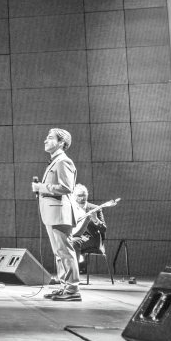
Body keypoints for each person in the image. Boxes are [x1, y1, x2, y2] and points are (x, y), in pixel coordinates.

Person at [32, 128, 80, 302]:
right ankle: (64, 287)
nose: (45, 140)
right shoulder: (55, 162)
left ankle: (73, 289)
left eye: (50, 138)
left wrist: (41, 187)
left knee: (65, 252)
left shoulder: (63, 161)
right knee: (59, 252)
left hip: (60, 213)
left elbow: (67, 188)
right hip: (53, 212)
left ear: (61, 142)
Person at [71, 183, 107, 271]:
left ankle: (73, 274)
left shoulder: (95, 208)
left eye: (84, 195)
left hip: (91, 239)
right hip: (75, 237)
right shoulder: (71, 208)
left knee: (72, 244)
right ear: (74, 196)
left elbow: (103, 229)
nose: (82, 198)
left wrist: (95, 220)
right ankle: (65, 273)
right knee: (62, 244)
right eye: (79, 195)